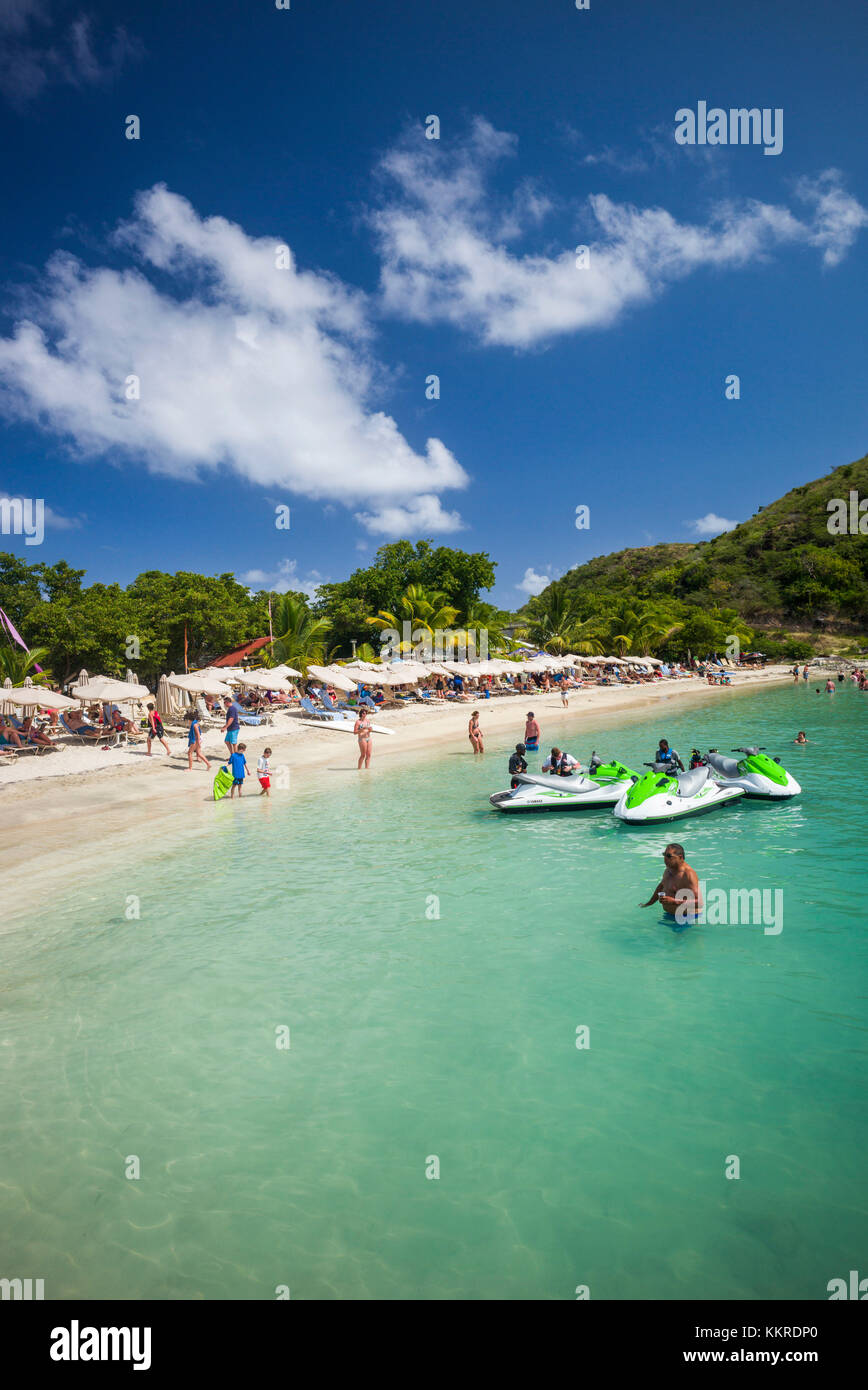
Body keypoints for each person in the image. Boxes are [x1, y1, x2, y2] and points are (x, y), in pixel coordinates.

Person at [639, 844, 702, 924]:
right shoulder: (669, 869)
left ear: (680, 857)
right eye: (664, 855)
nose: (665, 859)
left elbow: (699, 903)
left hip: (687, 918)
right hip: (669, 915)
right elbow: (661, 886)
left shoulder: (688, 874)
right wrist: (649, 903)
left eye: (669, 856)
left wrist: (674, 901)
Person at [354, 706, 372, 770]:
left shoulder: (367, 721)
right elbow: (355, 732)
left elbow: (369, 730)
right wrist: (362, 729)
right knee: (363, 755)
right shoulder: (358, 722)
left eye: (366, 713)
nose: (365, 714)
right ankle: (359, 769)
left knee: (369, 754)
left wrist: (370, 730)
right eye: (364, 713)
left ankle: (367, 769)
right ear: (361, 714)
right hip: (362, 739)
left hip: (368, 738)